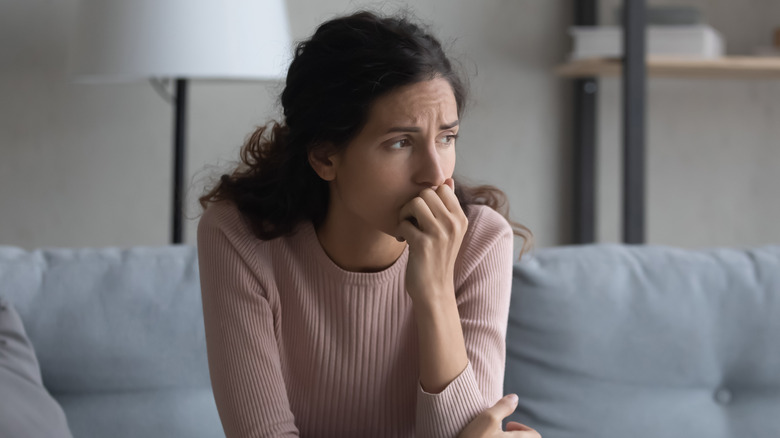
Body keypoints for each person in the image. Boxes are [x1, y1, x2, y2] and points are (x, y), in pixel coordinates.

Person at [196, 10, 538, 438]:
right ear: (324, 156)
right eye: (400, 142)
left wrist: (434, 293)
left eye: (446, 138)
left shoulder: (480, 242)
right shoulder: (239, 238)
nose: (434, 174)